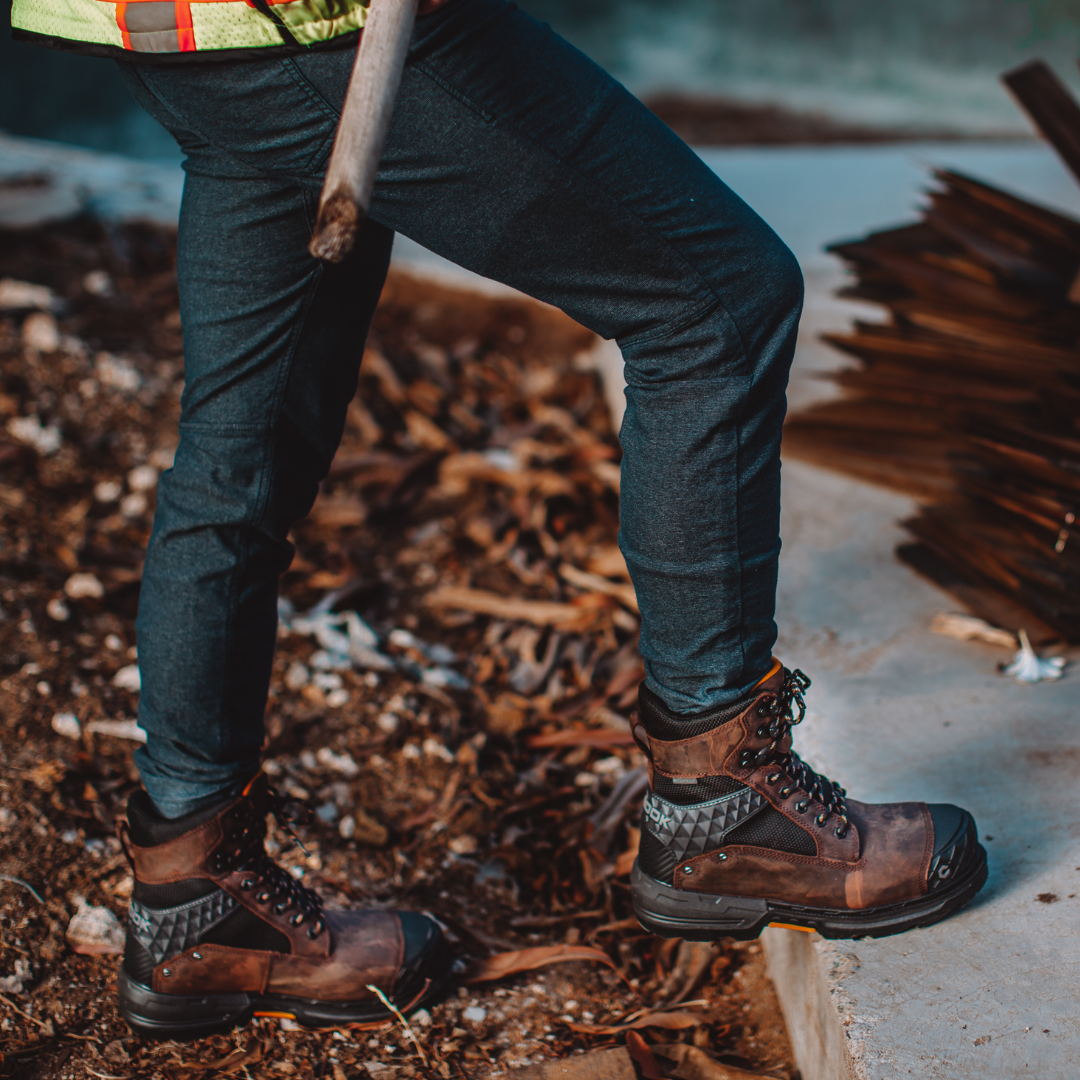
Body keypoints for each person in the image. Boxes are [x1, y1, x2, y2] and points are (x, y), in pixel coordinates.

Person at [10, 0, 987, 1040]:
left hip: (187, 36)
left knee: (239, 458)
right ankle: (726, 807)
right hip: (315, 26)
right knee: (715, 308)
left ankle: (194, 904)